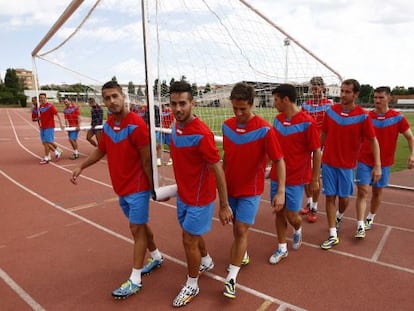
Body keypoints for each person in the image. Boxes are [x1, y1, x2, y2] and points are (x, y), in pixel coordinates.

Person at [70, 81, 163, 299]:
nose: (111, 101)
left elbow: (147, 162)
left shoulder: (137, 125)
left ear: (123, 96)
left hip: (138, 188)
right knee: (140, 227)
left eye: (115, 96)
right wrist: (80, 166)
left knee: (136, 230)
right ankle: (157, 256)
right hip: (120, 188)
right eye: (107, 98)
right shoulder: (109, 124)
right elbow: (101, 150)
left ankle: (135, 279)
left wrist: (152, 189)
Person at [168, 81, 233, 308]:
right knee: (192, 235)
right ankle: (205, 260)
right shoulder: (175, 127)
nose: (178, 109)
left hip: (200, 199)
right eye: (174, 104)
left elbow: (217, 168)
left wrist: (224, 205)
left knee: (188, 239)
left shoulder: (202, 133)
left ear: (192, 103)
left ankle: (192, 284)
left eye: (183, 104)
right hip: (184, 196)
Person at [222, 82, 286, 299]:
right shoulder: (226, 126)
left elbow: (279, 160)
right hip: (231, 188)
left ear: (252, 104)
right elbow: (226, 157)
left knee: (241, 229)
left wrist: (281, 191)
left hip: (251, 190)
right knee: (236, 227)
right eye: (235, 109)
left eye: (243, 109)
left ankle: (231, 278)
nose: (239, 113)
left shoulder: (265, 130)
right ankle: (244, 254)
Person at [320, 79, 381, 250]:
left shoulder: (363, 116)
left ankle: (340, 214)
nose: (343, 94)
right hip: (328, 163)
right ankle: (333, 234)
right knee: (330, 197)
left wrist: (377, 165)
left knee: (344, 198)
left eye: (347, 92)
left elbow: (373, 140)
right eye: (342, 91)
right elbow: (323, 134)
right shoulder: (331, 111)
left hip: (347, 166)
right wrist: (316, 154)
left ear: (355, 94)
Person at [269, 84, 321, 264]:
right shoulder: (277, 120)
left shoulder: (308, 122)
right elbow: (272, 147)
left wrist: (314, 179)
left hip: (297, 178)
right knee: (278, 212)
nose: (273, 103)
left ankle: (297, 229)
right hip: (277, 176)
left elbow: (317, 151)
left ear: (285, 99)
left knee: (292, 215)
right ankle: (282, 247)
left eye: (275, 100)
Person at [355, 86, 414, 236]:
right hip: (365, 160)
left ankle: (370, 217)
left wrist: (412, 154)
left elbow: (410, 137)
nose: (377, 100)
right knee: (362, 191)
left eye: (381, 97)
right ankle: (360, 224)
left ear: (389, 98)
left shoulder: (398, 117)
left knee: (377, 192)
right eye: (375, 97)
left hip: (385, 163)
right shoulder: (367, 117)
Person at [300, 76, 333, 222]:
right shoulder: (305, 105)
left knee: (315, 177)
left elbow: (331, 126)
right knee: (306, 177)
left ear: (323, 88)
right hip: (306, 145)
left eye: (317, 87)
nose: (315, 90)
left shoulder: (329, 105)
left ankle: (314, 207)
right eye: (312, 87)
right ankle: (308, 202)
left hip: (321, 146)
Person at [37, 93, 64, 164]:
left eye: (43, 98)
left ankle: (47, 157)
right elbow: (42, 116)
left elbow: (57, 114)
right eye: (40, 98)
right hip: (43, 127)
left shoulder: (50, 106)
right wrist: (39, 119)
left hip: (49, 126)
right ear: (39, 99)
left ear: (46, 98)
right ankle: (57, 151)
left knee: (47, 142)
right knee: (44, 142)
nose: (42, 99)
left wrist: (61, 123)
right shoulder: (40, 107)